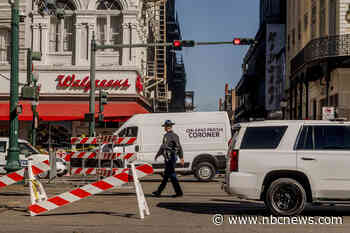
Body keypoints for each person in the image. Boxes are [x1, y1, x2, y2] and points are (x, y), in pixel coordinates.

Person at [152, 120, 184, 198]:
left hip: (170, 158)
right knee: (167, 176)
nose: (164, 128)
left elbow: (176, 146)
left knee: (172, 175)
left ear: (167, 127)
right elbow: (165, 147)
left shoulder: (170, 136)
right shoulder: (172, 135)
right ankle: (159, 191)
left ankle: (177, 192)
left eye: (165, 127)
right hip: (170, 158)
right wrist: (181, 157)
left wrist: (181, 157)